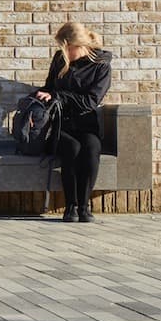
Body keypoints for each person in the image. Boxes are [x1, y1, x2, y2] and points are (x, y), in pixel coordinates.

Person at [34, 21, 112, 222]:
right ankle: (71, 207)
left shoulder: (101, 65)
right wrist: (42, 95)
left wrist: (60, 96)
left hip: (87, 124)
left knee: (91, 148)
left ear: (79, 45)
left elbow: (90, 101)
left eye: (68, 48)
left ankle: (84, 207)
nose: (65, 53)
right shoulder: (60, 59)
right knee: (72, 148)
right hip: (61, 124)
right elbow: (50, 87)